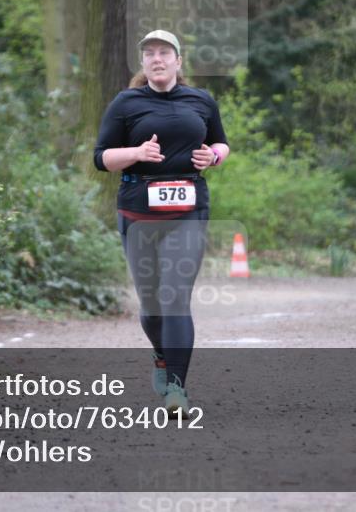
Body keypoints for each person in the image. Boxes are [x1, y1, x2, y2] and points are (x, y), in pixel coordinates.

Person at [93, 29, 230, 419]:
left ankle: (177, 388)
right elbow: (100, 158)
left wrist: (213, 158)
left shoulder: (201, 101)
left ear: (178, 61)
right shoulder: (127, 103)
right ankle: (160, 356)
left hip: (188, 211)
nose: (157, 59)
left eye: (164, 53)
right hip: (138, 213)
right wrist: (136, 152)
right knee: (152, 305)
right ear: (144, 63)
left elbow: (221, 142)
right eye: (150, 53)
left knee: (174, 298)